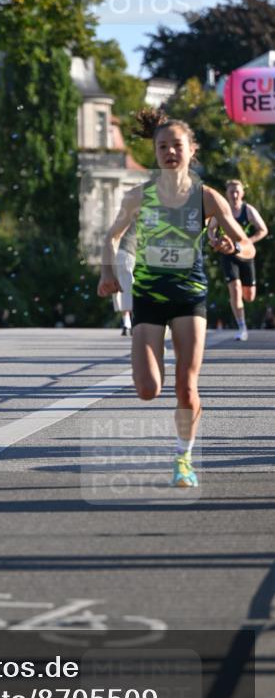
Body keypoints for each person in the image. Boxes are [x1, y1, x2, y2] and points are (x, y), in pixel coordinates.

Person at [97, 108, 255, 488]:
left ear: (191, 150)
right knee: (148, 389)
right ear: (155, 152)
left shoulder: (207, 197)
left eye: (177, 146)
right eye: (162, 146)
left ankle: (183, 456)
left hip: (189, 297)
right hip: (149, 297)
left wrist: (231, 247)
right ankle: (153, 361)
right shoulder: (139, 195)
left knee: (186, 385)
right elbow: (112, 237)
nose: (170, 152)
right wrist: (107, 273)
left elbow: (248, 247)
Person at [207, 180, 268, 342]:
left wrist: (248, 242)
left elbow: (263, 230)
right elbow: (210, 228)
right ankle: (242, 327)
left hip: (246, 255)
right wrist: (213, 240)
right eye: (231, 191)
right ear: (226, 194)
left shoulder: (247, 210)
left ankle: (243, 299)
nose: (234, 195)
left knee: (249, 296)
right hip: (228, 254)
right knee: (235, 289)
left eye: (237, 191)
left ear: (242, 193)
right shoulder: (222, 211)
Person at [112, 221, 136, 336]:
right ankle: (129, 322)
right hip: (127, 253)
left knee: (124, 288)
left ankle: (127, 322)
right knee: (127, 289)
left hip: (124, 254)